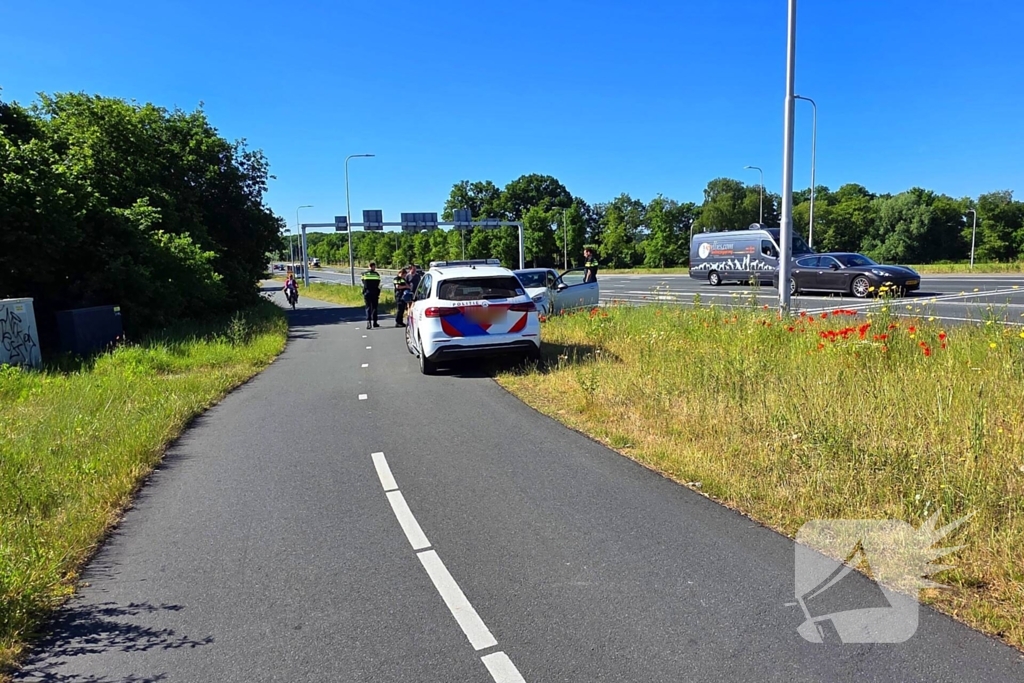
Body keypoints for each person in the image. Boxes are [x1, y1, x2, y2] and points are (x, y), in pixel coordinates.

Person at [361, 262, 382, 329]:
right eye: (374, 267)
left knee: (368, 308)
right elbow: (378, 282)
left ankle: (368, 322)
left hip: (367, 292)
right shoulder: (376, 274)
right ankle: (375, 322)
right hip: (375, 292)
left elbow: (363, 282)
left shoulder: (364, 274)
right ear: (372, 266)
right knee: (374, 308)